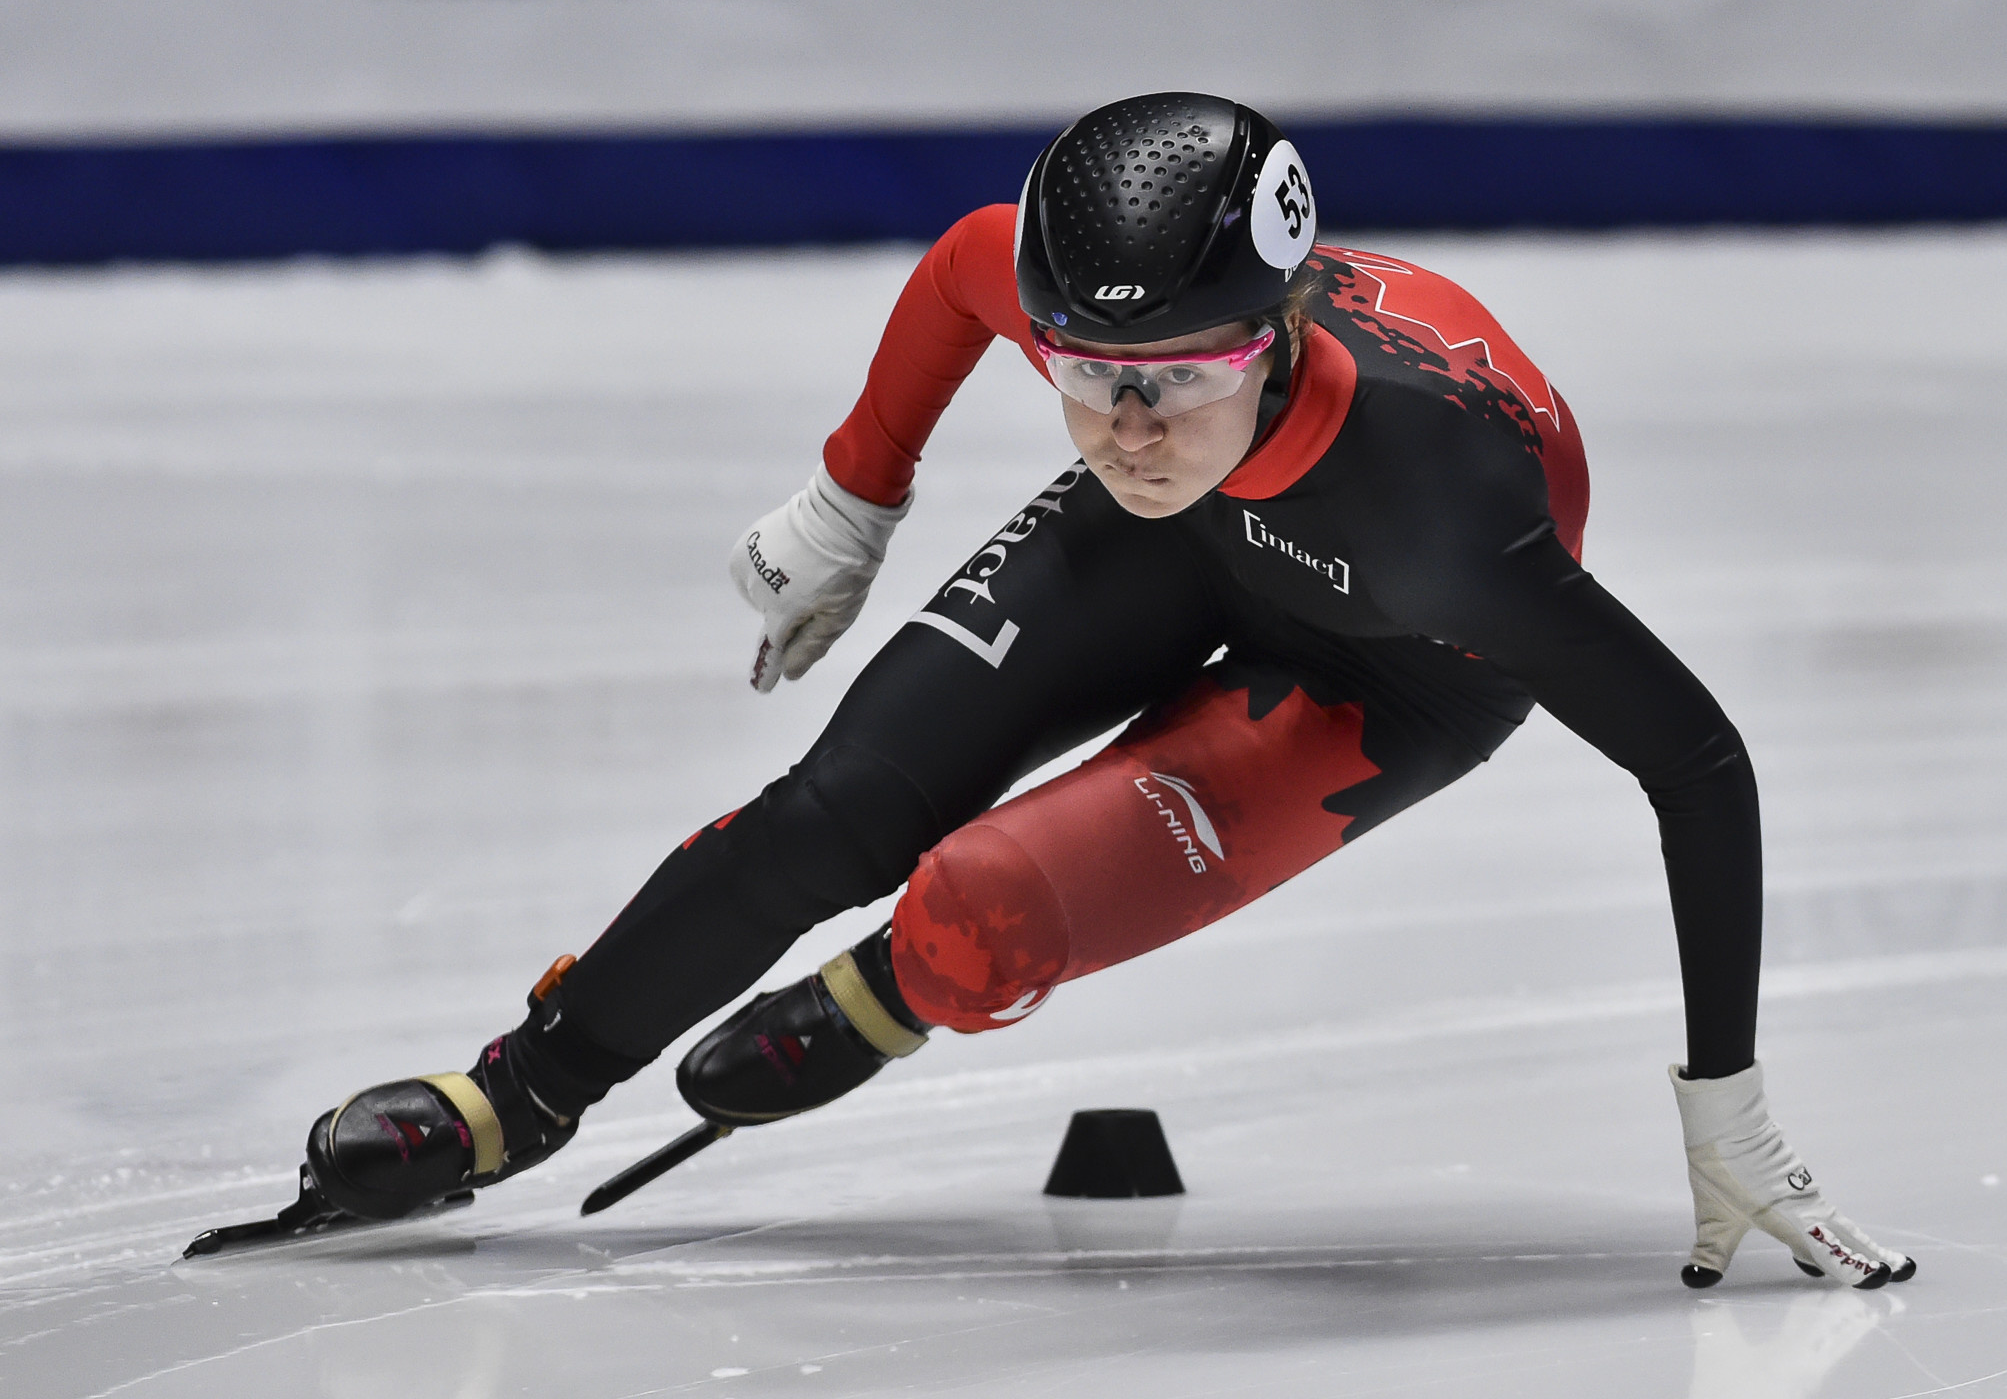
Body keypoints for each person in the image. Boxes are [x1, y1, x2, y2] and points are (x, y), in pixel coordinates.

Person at [292, 92, 1911, 1290]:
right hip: (1208, 539)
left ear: (1277, 336)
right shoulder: (1129, 379)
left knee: (976, 907)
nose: (1128, 427)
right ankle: (515, 1094)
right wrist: (856, 501)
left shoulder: (1449, 518)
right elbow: (960, 270)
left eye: (1179, 382)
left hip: (1393, 666)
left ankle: (886, 996)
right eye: (1085, 379)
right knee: (836, 814)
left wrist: (1729, 1105)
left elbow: (1699, 765)